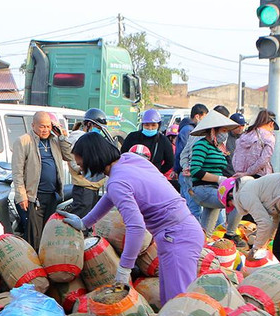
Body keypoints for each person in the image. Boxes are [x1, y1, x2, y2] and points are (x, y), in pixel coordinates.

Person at [76, 134, 205, 305]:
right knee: (169, 302)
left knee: (178, 307)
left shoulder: (117, 181)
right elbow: (110, 196)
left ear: (92, 159)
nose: (81, 171)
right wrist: (84, 222)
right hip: (182, 231)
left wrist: (124, 268)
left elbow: (136, 227)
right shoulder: (129, 159)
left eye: (81, 165)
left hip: (177, 238)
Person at [11, 111, 73, 244]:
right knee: (34, 235)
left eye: (48, 126)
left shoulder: (54, 141)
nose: (45, 130)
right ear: (33, 125)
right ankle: (33, 262)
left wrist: (62, 137)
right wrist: (22, 196)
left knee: (47, 232)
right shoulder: (23, 141)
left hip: (51, 195)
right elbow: (17, 172)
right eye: (42, 126)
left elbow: (69, 156)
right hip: (33, 196)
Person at [189, 110, 242, 236]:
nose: (225, 134)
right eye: (223, 131)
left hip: (216, 189)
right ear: (214, 130)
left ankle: (202, 249)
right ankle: (231, 234)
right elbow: (195, 170)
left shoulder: (217, 148)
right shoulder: (201, 145)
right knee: (239, 201)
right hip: (203, 189)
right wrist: (218, 179)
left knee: (206, 233)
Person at [67, 109, 110, 216]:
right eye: (98, 128)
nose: (99, 131)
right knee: (80, 218)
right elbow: (76, 164)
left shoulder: (92, 140)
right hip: (84, 187)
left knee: (90, 220)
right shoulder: (78, 139)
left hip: (94, 186)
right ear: (89, 124)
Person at [121, 109, 176, 179]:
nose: (150, 128)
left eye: (153, 125)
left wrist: (157, 172)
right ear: (142, 124)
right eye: (147, 125)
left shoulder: (163, 141)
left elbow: (170, 162)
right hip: (132, 176)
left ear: (158, 125)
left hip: (153, 178)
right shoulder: (132, 137)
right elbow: (123, 155)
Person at [175, 103, 209, 202]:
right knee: (193, 205)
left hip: (185, 171)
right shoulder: (191, 131)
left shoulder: (187, 129)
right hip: (188, 173)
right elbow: (185, 152)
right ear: (198, 116)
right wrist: (185, 167)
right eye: (205, 117)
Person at [232, 109, 278, 177]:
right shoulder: (269, 137)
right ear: (271, 124)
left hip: (239, 176)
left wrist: (241, 173)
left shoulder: (245, 135)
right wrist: (248, 173)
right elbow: (263, 160)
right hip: (259, 177)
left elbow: (235, 156)